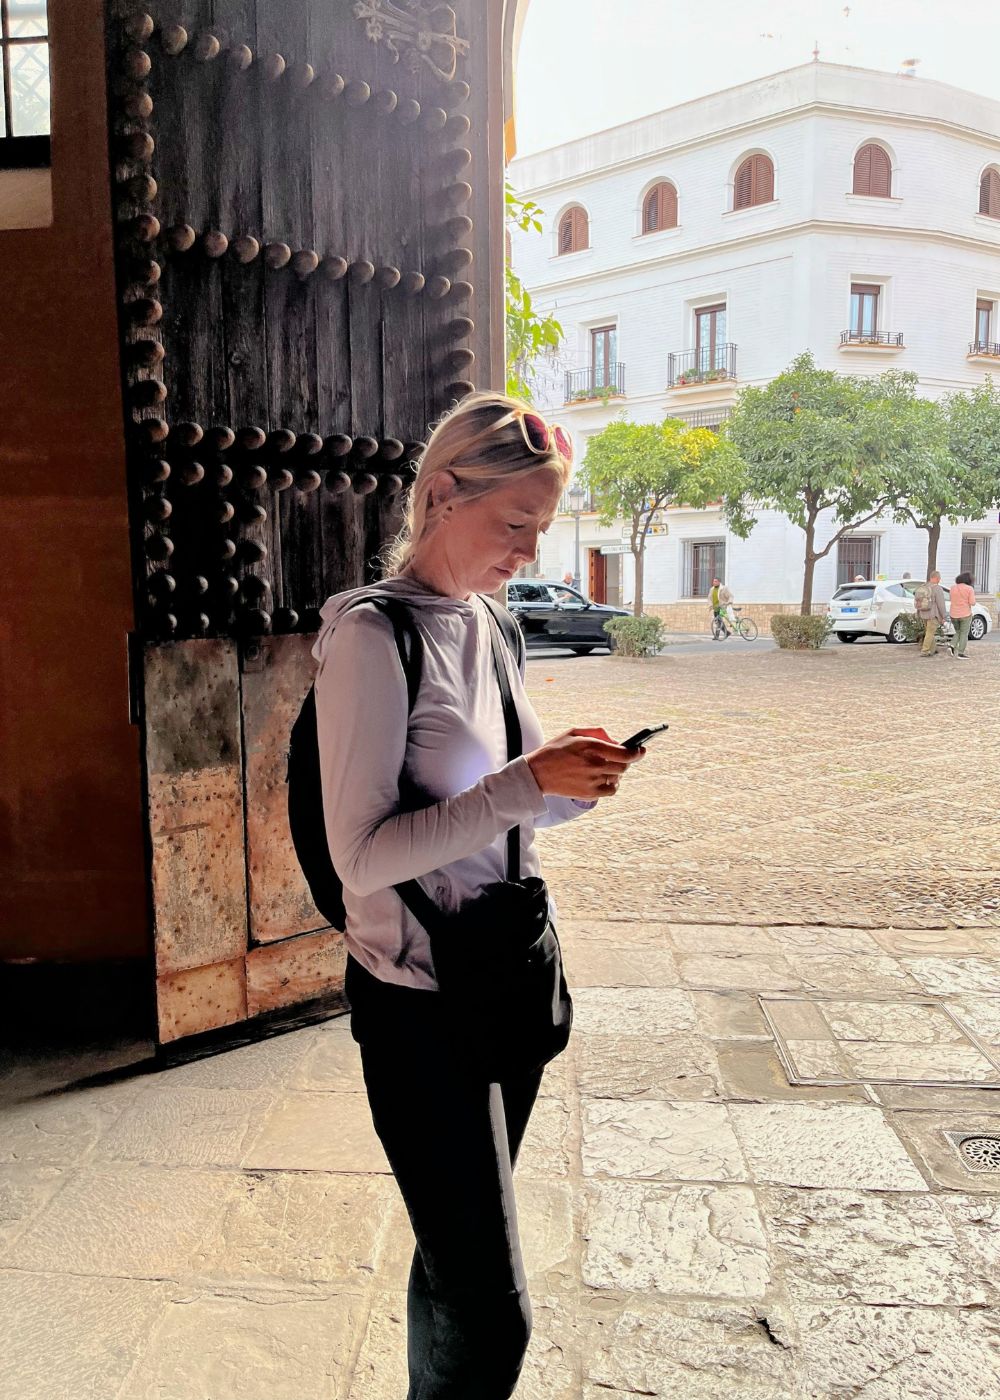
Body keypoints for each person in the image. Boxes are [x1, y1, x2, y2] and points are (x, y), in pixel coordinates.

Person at [312, 393, 645, 1399]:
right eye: (513, 524)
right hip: (417, 1006)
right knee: (496, 1314)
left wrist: (574, 778)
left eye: (541, 529)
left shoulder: (492, 625)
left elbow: (507, 816)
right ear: (442, 492)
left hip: (503, 971)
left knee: (451, 1254)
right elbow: (361, 857)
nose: (527, 550)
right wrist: (524, 780)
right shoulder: (373, 637)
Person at [915, 570, 948, 657]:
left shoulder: (923, 586)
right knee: (930, 633)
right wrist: (944, 615)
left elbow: (918, 601)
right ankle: (925, 651)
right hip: (933, 614)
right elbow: (941, 603)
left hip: (923, 613)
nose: (940, 580)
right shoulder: (937, 588)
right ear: (937, 578)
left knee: (929, 632)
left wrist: (918, 612)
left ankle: (933, 649)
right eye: (939, 578)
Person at [950, 570, 976, 658]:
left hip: (953, 614)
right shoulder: (969, 589)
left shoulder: (953, 588)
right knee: (964, 633)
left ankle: (952, 645)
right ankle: (961, 653)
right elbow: (972, 602)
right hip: (965, 614)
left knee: (958, 631)